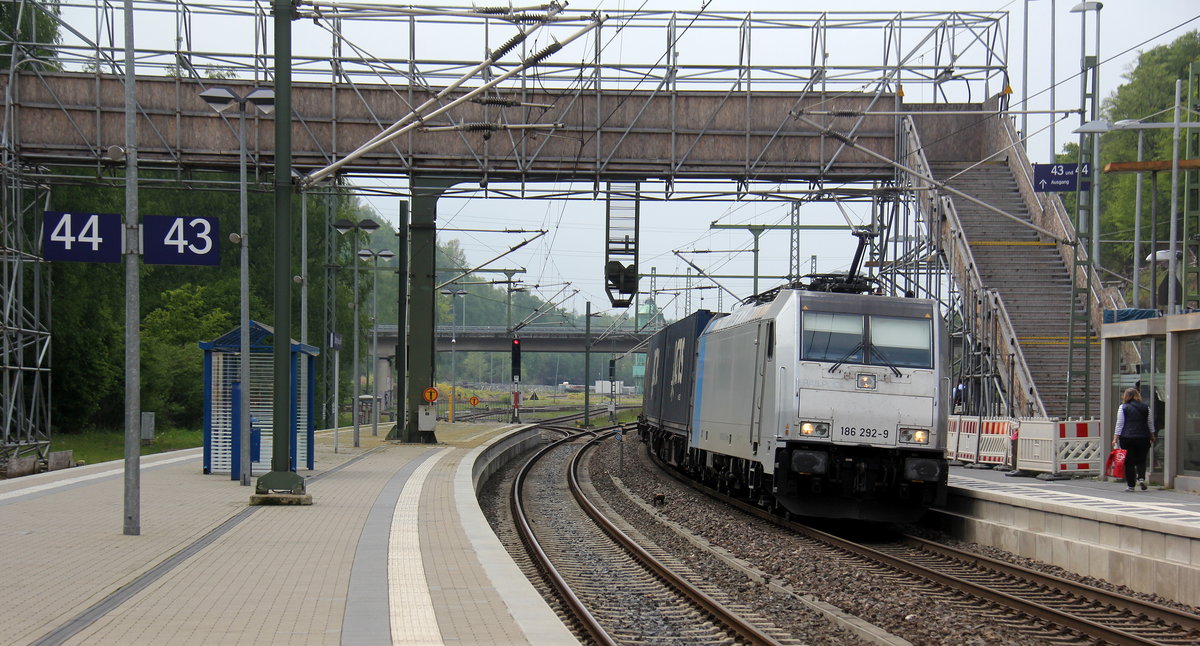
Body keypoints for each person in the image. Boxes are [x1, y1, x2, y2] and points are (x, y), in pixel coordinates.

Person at [1112, 387, 1157, 492]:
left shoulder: (1123, 407)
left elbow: (1120, 424)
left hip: (1127, 438)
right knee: (1141, 459)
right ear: (1137, 395)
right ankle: (1141, 478)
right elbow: (1150, 422)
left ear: (1126, 396)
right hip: (1143, 437)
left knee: (1129, 462)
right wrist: (1152, 435)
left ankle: (1131, 486)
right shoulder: (1146, 407)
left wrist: (1115, 437)